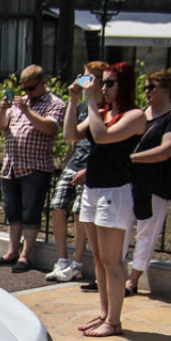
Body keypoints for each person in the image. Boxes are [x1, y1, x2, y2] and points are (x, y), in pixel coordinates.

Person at [66, 62, 145, 338]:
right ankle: (104, 313)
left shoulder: (134, 115)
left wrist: (90, 96)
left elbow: (101, 136)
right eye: (104, 83)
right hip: (94, 189)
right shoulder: (102, 112)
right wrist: (74, 98)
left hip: (115, 191)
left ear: (124, 85)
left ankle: (114, 320)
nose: (104, 88)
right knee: (98, 258)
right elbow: (71, 134)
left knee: (112, 259)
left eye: (110, 83)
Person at [0, 64, 66, 272]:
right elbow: (1, 125)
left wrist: (27, 110)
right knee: (13, 213)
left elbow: (50, 128)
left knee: (30, 214)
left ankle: (25, 255)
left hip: (35, 167)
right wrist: (3, 109)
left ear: (43, 83)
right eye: (24, 89)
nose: (27, 93)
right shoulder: (18, 103)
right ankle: (12, 251)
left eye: (31, 88)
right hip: (11, 166)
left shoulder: (55, 103)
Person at [126, 70, 171, 297]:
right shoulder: (141, 114)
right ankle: (114, 274)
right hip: (132, 181)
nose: (147, 92)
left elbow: (166, 150)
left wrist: (130, 159)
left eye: (152, 87)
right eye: (145, 87)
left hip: (157, 183)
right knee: (121, 228)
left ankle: (133, 280)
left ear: (167, 88)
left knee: (146, 232)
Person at [46, 61, 108, 283]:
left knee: (79, 211)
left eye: (89, 78)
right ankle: (62, 260)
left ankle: (78, 263)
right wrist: (73, 100)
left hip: (92, 164)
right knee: (57, 205)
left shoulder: (106, 108)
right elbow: (70, 136)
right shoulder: (83, 106)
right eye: (83, 77)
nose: (84, 81)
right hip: (75, 161)